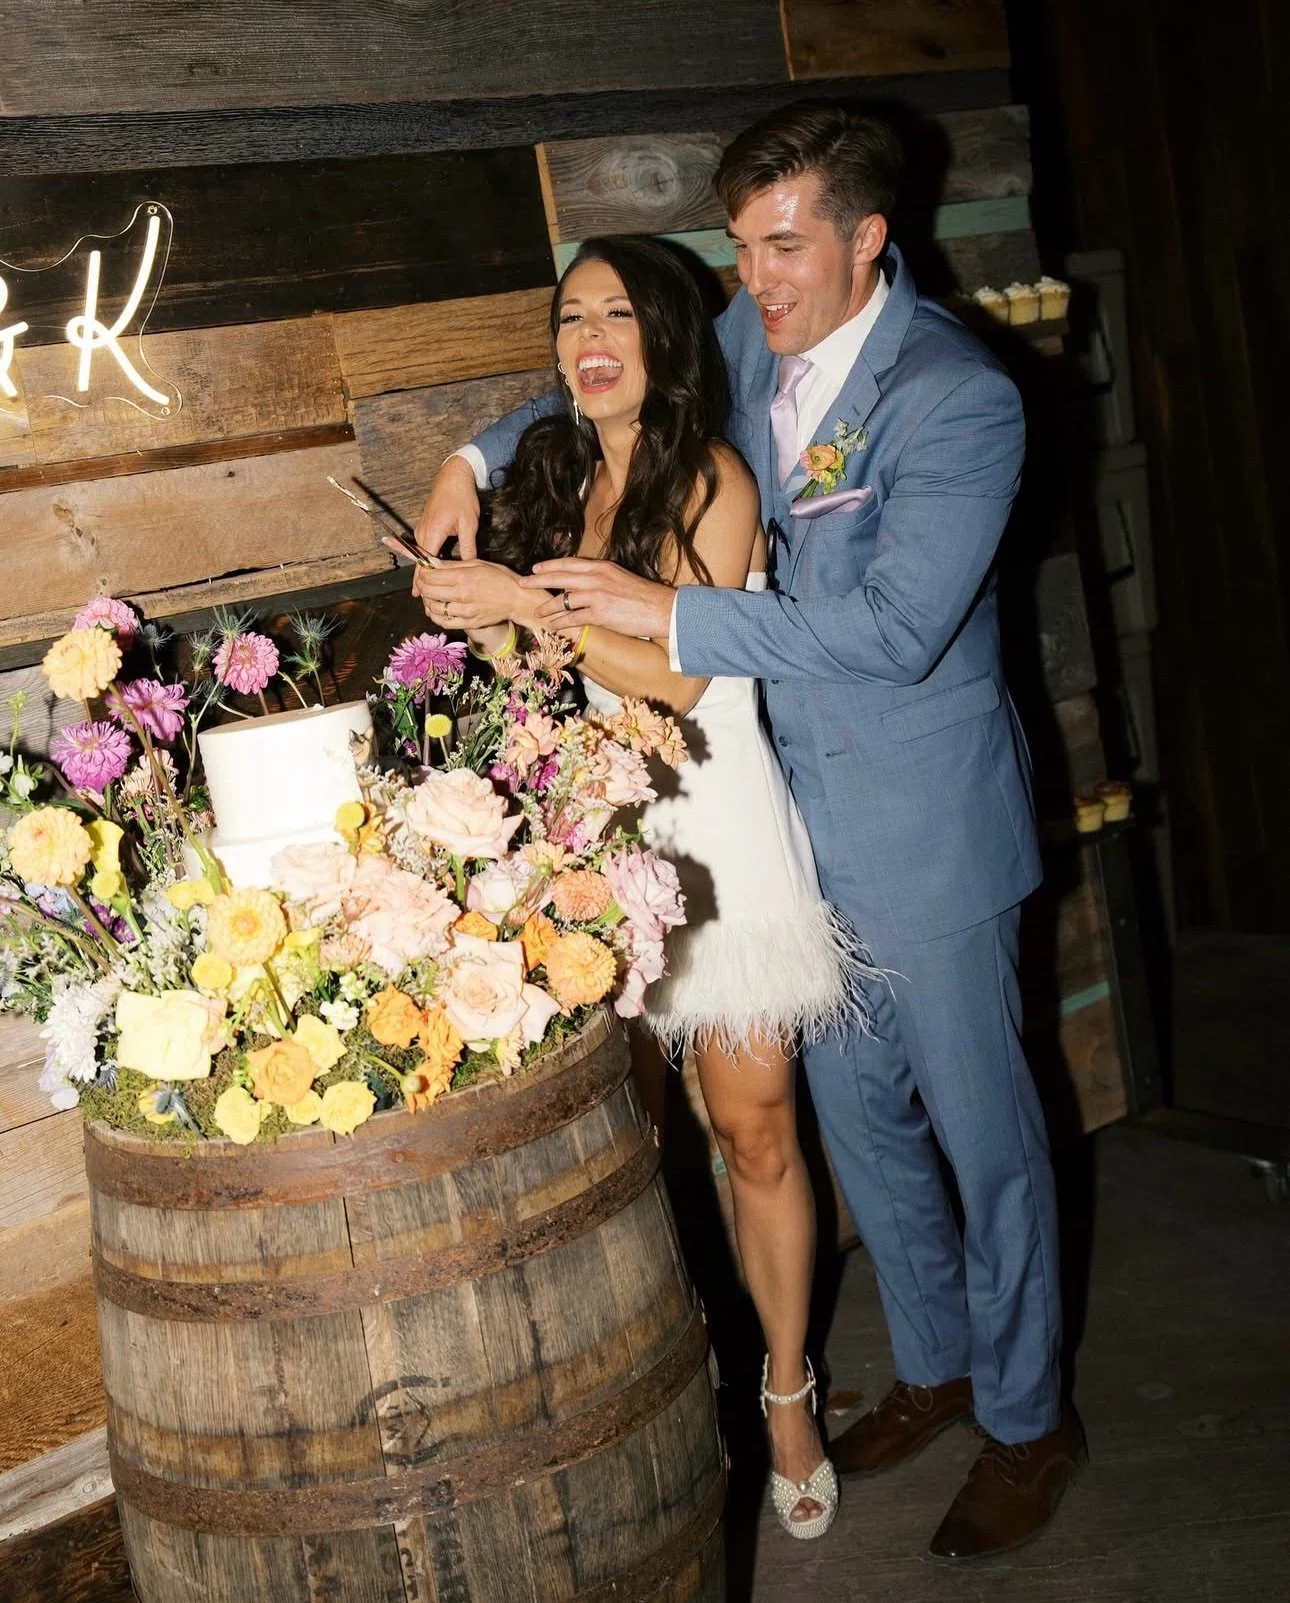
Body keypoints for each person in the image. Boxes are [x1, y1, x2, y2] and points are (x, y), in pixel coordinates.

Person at [414, 104, 1085, 1562]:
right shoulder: (750, 333)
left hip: (923, 830)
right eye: (741, 248)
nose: (754, 280)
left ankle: (1029, 1420)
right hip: (786, 830)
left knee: (986, 1138)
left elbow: (898, 628)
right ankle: (934, 1368)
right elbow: (607, 370)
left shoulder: (954, 395)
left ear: (865, 240)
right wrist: (466, 462)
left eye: (782, 248)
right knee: (865, 1132)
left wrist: (655, 613)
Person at [413, 232, 885, 1540]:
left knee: (753, 1128)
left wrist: (521, 599)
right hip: (594, 842)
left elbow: (674, 673)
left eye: (617, 312)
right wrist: (483, 615)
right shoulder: (557, 485)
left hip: (718, 834)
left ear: (664, 340)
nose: (589, 336)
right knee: (633, 1149)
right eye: (569, 317)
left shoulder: (717, 477)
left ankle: (786, 1390)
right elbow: (545, 674)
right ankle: (680, 1380)